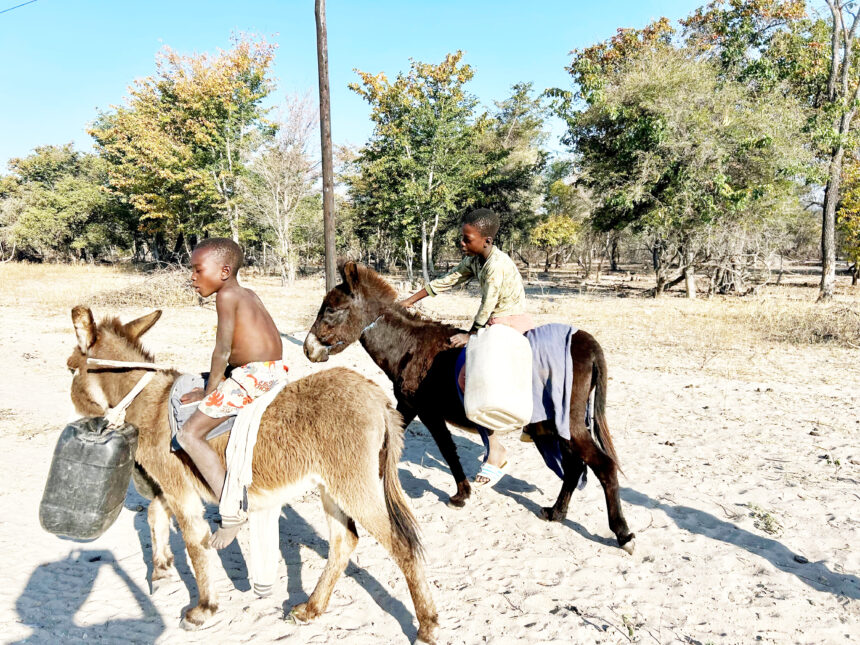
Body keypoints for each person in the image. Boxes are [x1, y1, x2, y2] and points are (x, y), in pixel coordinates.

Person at [399, 208, 534, 487]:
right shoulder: (475, 261)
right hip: (492, 323)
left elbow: (489, 303)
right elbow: (447, 280)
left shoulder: (496, 265)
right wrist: (408, 302)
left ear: (485, 240)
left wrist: (472, 334)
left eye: (466, 239)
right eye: (462, 238)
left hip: (507, 323)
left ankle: (497, 450)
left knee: (474, 378)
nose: (461, 243)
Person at [176, 238, 288, 549]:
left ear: (224, 271)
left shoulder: (225, 296)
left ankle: (232, 510)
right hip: (275, 369)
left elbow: (223, 350)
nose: (193, 278)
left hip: (253, 375)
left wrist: (210, 391)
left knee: (189, 435)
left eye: (198, 270)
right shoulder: (247, 292)